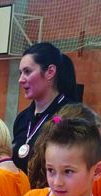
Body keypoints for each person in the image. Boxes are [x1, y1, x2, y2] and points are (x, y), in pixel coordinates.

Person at [12, 42, 76, 173]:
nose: (20, 79)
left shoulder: (72, 116)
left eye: (27, 72)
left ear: (50, 72)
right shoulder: (22, 118)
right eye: (20, 73)